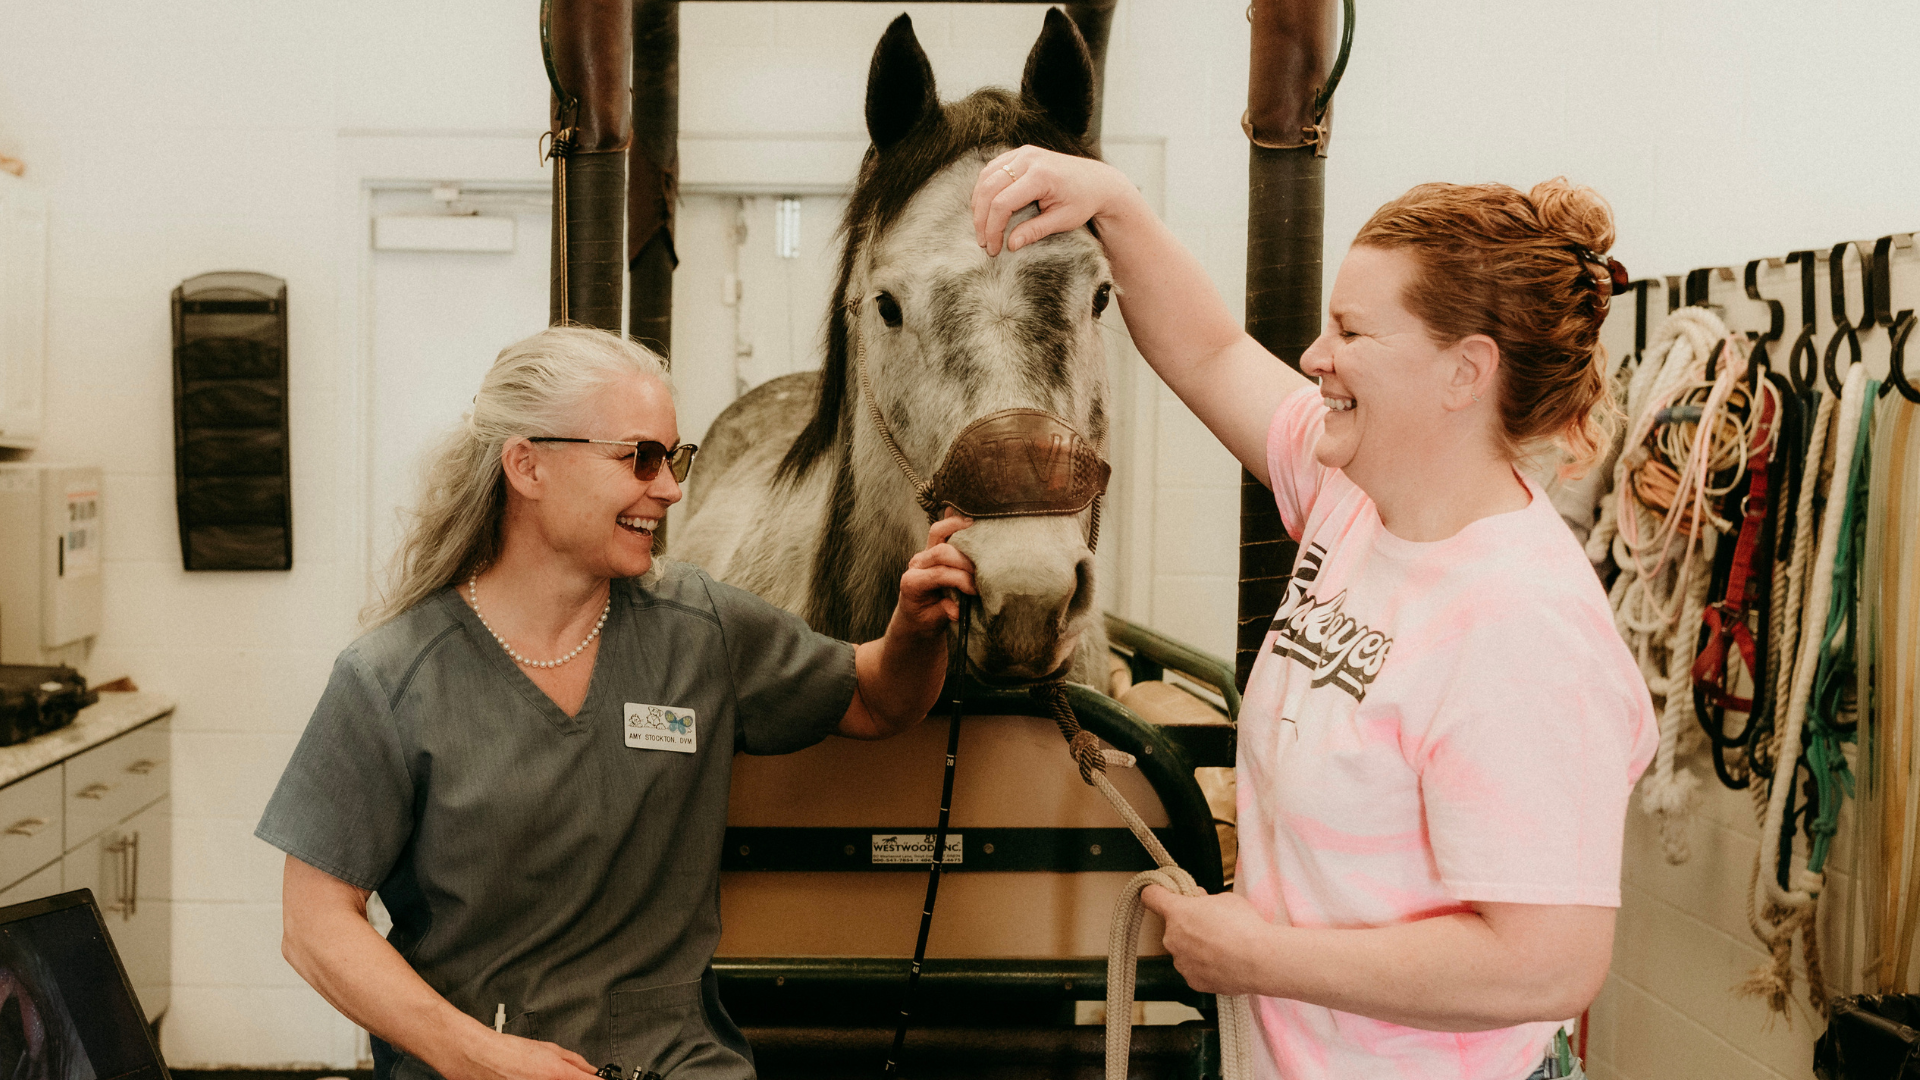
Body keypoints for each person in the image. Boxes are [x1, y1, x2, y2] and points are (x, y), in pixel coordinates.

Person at [971, 153, 1657, 1079]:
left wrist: (1259, 958)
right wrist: (1114, 204)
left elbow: (1550, 963)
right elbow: (1212, 351)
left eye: (1351, 331)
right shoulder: (1354, 494)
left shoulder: (1522, 629)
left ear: (1465, 372)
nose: (1314, 357)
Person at [256, 327, 975, 1080]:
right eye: (640, 457)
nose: (669, 488)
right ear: (527, 465)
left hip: (676, 1062)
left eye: (675, 457)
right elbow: (313, 925)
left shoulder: (701, 628)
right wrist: (483, 1057)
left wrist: (915, 627)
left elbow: (874, 700)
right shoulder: (393, 677)